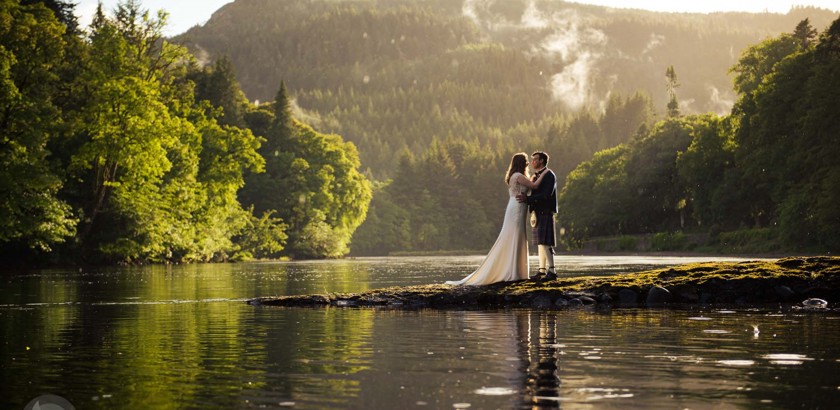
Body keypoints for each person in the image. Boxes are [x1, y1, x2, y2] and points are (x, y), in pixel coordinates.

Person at [446, 153, 551, 286]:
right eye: (525, 161)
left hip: (516, 206)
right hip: (517, 208)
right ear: (520, 163)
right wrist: (545, 173)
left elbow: (529, 183)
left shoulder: (516, 176)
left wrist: (535, 177)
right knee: (515, 236)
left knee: (517, 237)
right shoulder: (518, 176)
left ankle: (517, 271)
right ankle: (514, 272)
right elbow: (534, 186)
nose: (528, 163)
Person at [516, 151, 558, 281]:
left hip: (545, 211)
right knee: (541, 243)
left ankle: (552, 271)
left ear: (542, 161)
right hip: (537, 213)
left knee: (546, 242)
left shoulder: (549, 175)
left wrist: (527, 199)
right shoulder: (536, 175)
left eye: (535, 159)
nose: (532, 161)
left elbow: (546, 194)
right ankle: (542, 271)